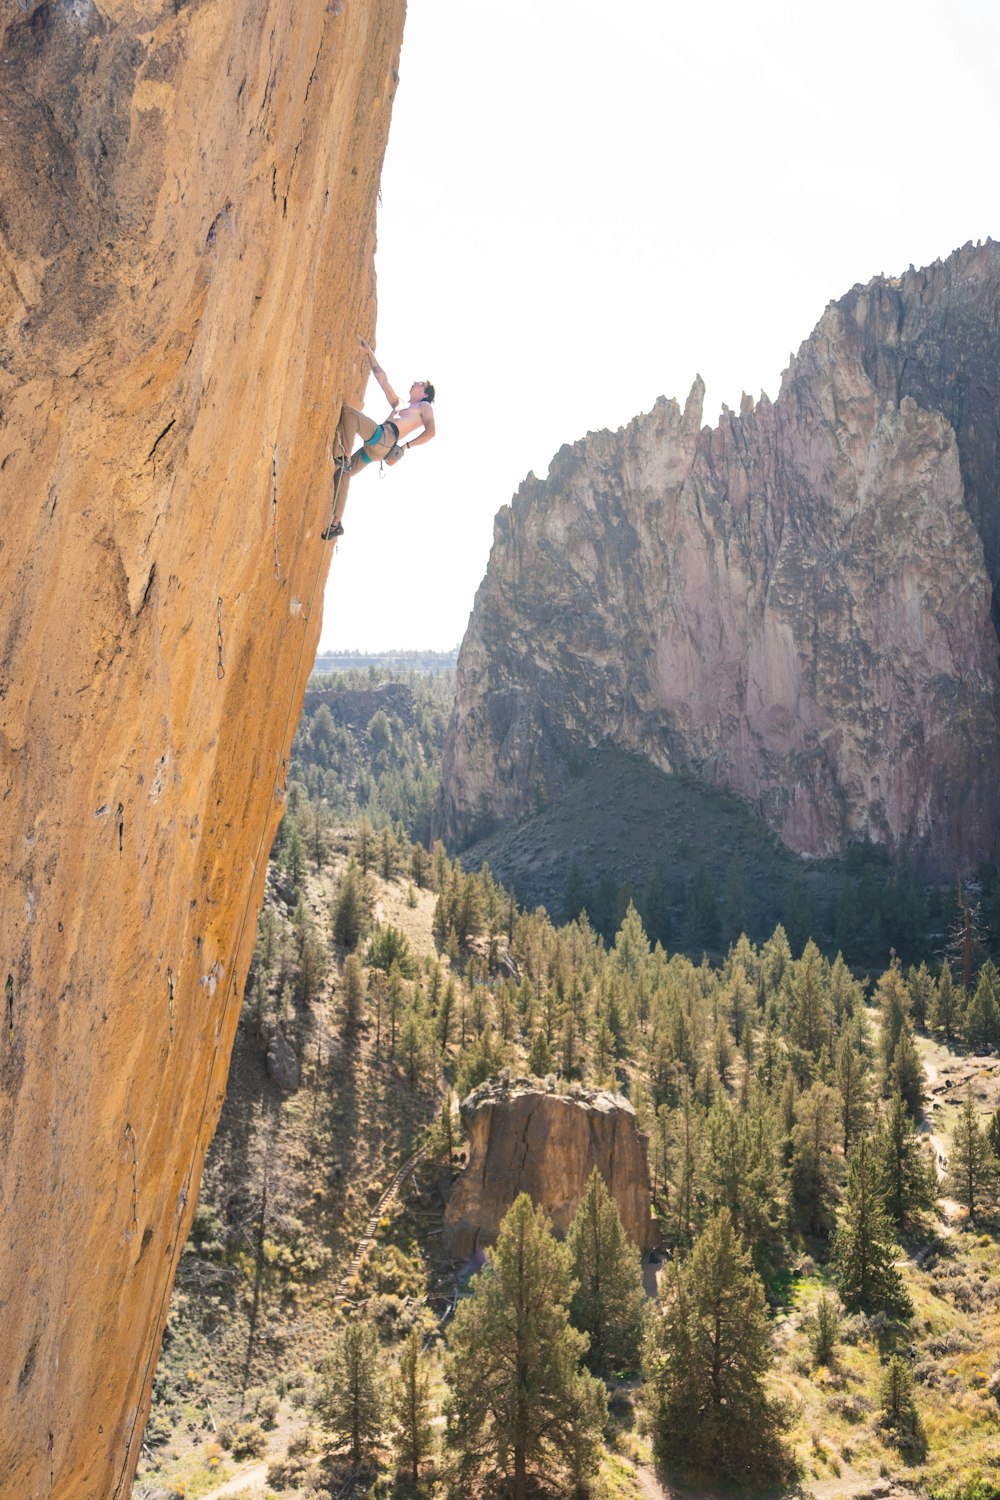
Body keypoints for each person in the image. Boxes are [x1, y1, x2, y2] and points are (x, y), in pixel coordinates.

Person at [322, 335, 436, 540]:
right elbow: (383, 379)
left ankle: (345, 455)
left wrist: (407, 446)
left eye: (420, 383)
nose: (414, 382)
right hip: (376, 449)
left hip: (386, 438)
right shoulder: (401, 404)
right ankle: (336, 523)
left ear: (425, 393)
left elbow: (431, 432)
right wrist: (369, 353)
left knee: (349, 414)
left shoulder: (424, 406)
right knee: (342, 474)